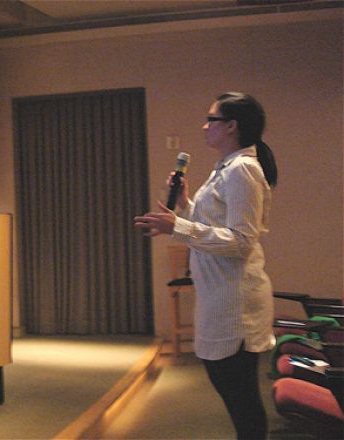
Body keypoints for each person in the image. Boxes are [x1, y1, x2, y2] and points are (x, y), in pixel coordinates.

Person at [134, 92, 277, 439]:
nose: (204, 126)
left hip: (235, 304)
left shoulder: (242, 170)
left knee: (241, 399)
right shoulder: (227, 167)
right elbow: (213, 230)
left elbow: (240, 241)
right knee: (235, 394)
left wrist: (177, 226)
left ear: (231, 126)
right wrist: (184, 206)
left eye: (211, 119)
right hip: (219, 297)